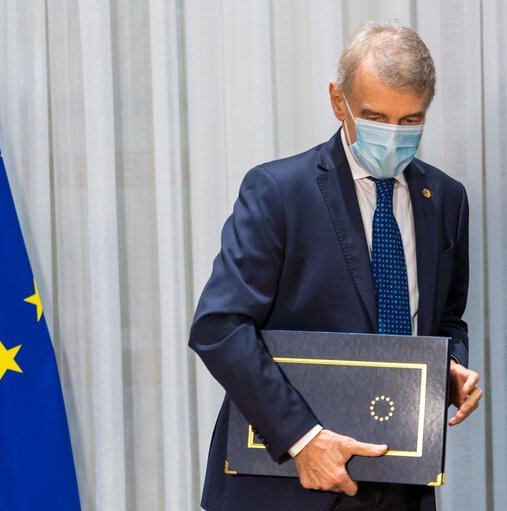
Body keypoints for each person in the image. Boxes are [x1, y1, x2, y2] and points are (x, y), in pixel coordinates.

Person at [189, 21, 483, 511]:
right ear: (337, 100)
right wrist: (302, 440)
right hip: (286, 484)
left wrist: (450, 367)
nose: (392, 136)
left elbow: (446, 318)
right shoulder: (278, 192)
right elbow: (219, 326)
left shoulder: (447, 199)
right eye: (374, 117)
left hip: (402, 481)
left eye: (410, 121)